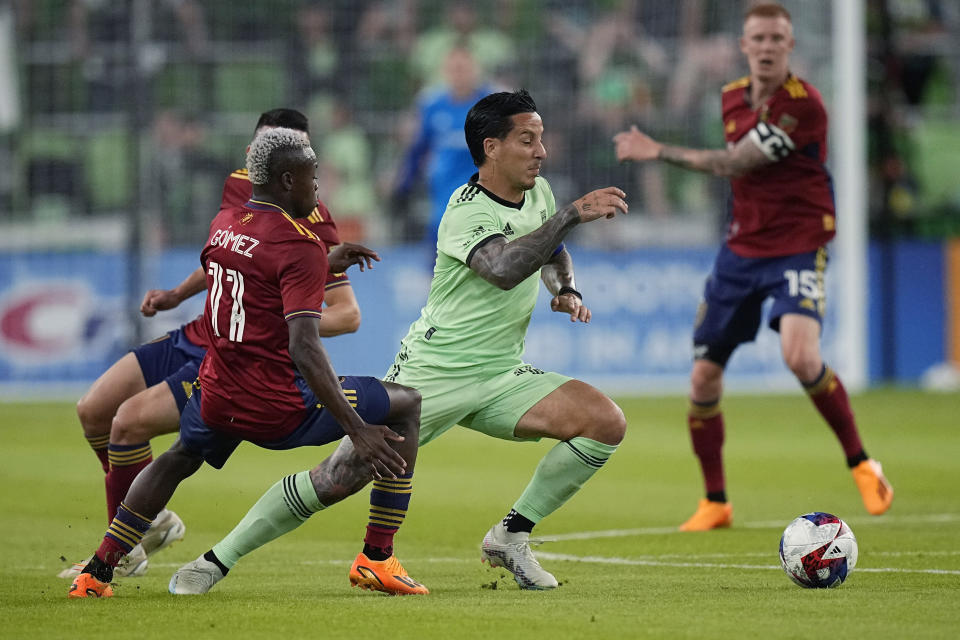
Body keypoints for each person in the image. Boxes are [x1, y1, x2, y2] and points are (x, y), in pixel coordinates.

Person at [183, 90, 629, 593]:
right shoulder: (464, 211)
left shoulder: (541, 194)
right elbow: (502, 270)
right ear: (492, 147)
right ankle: (216, 560)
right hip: (433, 371)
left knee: (603, 422)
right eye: (528, 140)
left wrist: (565, 288)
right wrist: (571, 214)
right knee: (337, 478)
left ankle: (511, 535)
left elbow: (552, 248)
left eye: (542, 139)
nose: (541, 151)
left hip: (502, 373)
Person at [68, 127, 426, 599]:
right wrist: (356, 428)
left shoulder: (227, 223)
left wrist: (324, 259)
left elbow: (260, 274)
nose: (318, 190)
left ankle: (96, 572)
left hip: (216, 391)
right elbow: (304, 346)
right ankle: (377, 557)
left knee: (178, 456)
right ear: (285, 180)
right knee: (407, 404)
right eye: (311, 177)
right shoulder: (297, 244)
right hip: (275, 402)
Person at [612, 3, 894, 531]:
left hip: (797, 245)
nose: (766, 46)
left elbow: (736, 163)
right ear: (745, 46)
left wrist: (658, 152)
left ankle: (862, 463)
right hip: (741, 251)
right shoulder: (730, 97)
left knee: (799, 354)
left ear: (790, 46)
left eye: (776, 38)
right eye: (758, 38)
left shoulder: (804, 105)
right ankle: (715, 502)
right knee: (702, 379)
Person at [393, 45, 498, 246]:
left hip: (484, 198)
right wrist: (404, 186)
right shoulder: (432, 106)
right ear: (445, 72)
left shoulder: (492, 106)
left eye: (464, 69)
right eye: (454, 69)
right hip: (444, 200)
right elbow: (418, 150)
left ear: (476, 70)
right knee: (439, 264)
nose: (459, 75)